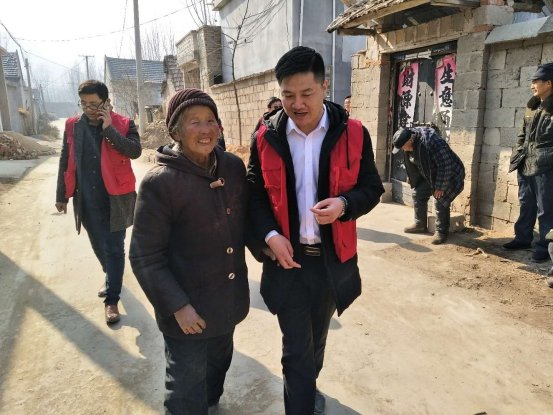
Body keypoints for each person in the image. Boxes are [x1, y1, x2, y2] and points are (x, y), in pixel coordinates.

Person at [247, 46, 384, 415]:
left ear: (325, 86)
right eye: (288, 95)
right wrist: (269, 237)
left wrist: (344, 204)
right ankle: (301, 403)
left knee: (316, 340)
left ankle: (308, 386)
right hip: (287, 263)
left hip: (329, 263)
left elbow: (372, 188)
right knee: (296, 350)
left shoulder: (353, 133)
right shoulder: (265, 137)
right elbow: (253, 196)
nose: (297, 104)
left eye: (306, 93)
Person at [129, 88, 249, 415]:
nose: (206, 129)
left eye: (211, 120)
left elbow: (247, 220)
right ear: (175, 132)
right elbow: (144, 256)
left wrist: (269, 241)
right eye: (194, 122)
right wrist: (178, 307)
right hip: (188, 312)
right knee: (185, 385)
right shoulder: (160, 182)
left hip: (226, 301)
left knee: (217, 368)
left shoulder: (232, 167)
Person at [55, 79, 141, 324]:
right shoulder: (73, 126)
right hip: (86, 198)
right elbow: (65, 159)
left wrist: (108, 129)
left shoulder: (124, 123)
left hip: (116, 198)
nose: (88, 108)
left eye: (93, 104)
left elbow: (134, 151)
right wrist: (61, 195)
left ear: (106, 102)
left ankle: (112, 300)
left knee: (114, 248)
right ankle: (111, 277)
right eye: (83, 103)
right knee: (97, 245)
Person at [504, 63, 553, 262]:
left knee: (546, 209)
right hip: (525, 163)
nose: (532, 85)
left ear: (549, 83)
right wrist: (519, 150)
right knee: (526, 203)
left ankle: (545, 247)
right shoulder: (532, 105)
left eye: (536, 81)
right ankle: (523, 238)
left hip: (545, 166)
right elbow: (522, 134)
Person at [392, 125, 465, 245]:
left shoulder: (432, 142)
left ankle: (441, 232)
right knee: (418, 192)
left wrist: (440, 187)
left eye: (404, 147)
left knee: (440, 199)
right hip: (431, 173)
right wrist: (412, 176)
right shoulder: (410, 140)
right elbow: (415, 162)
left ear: (410, 140)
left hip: (450, 174)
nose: (403, 150)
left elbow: (446, 165)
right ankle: (420, 224)